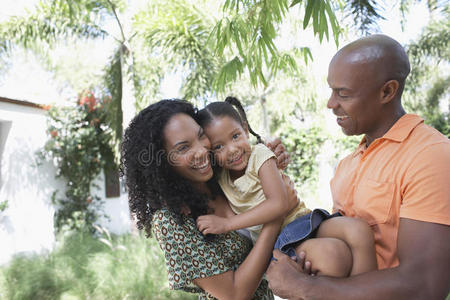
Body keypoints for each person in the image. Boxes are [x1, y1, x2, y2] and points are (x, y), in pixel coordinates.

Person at [266, 34, 450, 299]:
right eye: (331, 90)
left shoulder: (430, 155)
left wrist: (304, 287)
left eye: (343, 93)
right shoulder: (348, 164)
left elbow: (425, 285)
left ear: (387, 91)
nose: (331, 104)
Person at [121, 99, 295, 300]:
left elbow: (266, 185)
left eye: (201, 136)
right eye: (183, 148)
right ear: (163, 162)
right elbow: (234, 294)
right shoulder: (171, 220)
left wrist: (272, 165)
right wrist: (275, 217)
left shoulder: (224, 176)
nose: (202, 150)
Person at [195, 97, 377, 277]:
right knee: (333, 256)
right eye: (219, 146)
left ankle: (366, 291)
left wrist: (227, 224)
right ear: (209, 152)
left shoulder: (260, 154)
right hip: (279, 241)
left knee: (358, 230)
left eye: (235, 136)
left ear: (245, 129)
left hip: (303, 220)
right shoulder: (220, 177)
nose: (232, 149)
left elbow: (279, 204)